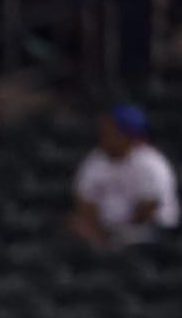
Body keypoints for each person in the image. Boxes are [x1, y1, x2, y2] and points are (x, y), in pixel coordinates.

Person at [69, 103, 175, 247]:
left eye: (110, 132)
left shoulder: (150, 163)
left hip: (150, 231)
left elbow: (147, 210)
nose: (103, 136)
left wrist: (113, 233)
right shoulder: (95, 160)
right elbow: (84, 200)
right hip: (107, 230)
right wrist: (98, 230)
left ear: (128, 135)